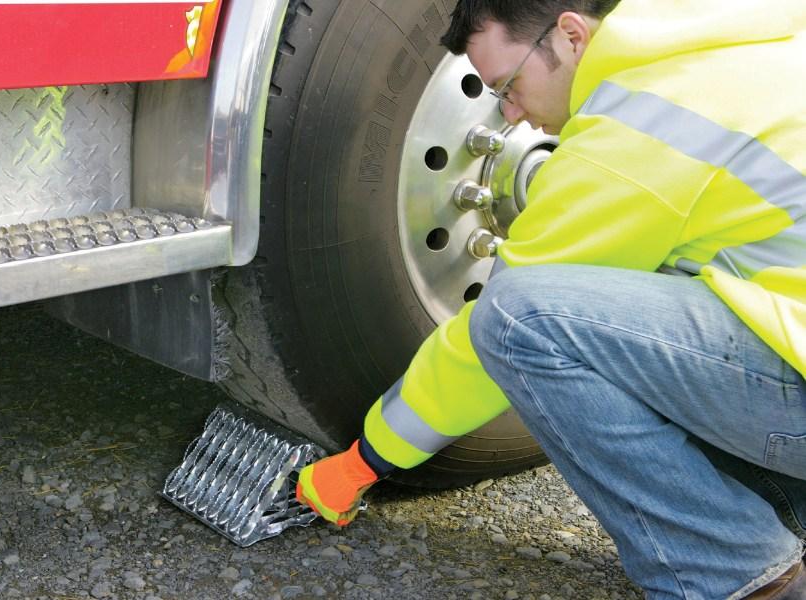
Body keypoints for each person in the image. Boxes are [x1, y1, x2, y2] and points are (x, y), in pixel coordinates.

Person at [296, 0, 806, 598]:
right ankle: (782, 517)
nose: (515, 117)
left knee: (520, 315)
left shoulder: (645, 123)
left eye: (509, 87)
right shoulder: (740, 37)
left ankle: (732, 577)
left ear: (568, 35)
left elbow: (505, 322)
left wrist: (367, 458)